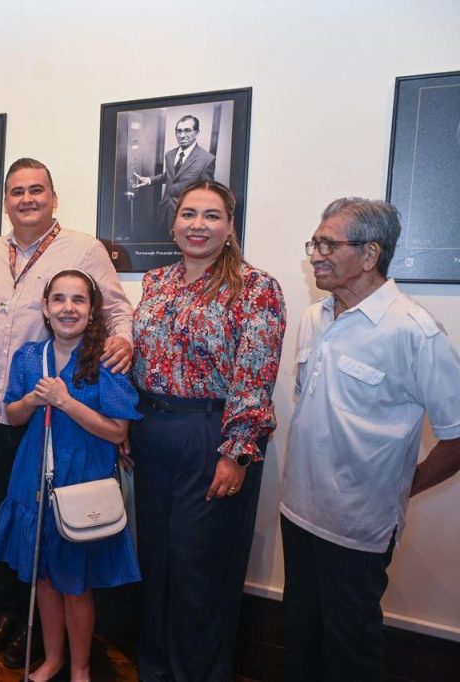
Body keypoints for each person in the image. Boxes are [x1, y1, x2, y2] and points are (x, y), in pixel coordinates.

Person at [280, 198, 460, 682]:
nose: (316, 256)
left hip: (357, 529)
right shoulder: (314, 317)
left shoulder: (414, 331)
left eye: (328, 245)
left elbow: (458, 433)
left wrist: (404, 485)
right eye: (314, 244)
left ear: (369, 254)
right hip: (297, 512)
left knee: (350, 650)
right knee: (301, 637)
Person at [0, 157, 134, 668]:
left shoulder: (83, 249)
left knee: (61, 522)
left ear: (54, 198)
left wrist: (123, 344)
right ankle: (13, 614)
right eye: (17, 191)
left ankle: (54, 640)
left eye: (36, 190)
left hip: (63, 417)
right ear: (5, 201)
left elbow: (117, 309)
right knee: (12, 516)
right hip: (2, 408)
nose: (27, 199)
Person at [130, 180, 285, 681]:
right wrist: (128, 423)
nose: (198, 225)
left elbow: (255, 375)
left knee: (198, 564)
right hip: (151, 430)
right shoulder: (155, 282)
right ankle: (156, 668)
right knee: (155, 557)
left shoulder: (256, 287)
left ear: (230, 226)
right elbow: (141, 359)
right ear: (173, 224)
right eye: (189, 214)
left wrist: (236, 453)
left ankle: (198, 672)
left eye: (212, 216)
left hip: (212, 435)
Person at [0, 269, 141, 682]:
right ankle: (53, 658)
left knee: (75, 583)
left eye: (78, 300)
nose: (67, 308)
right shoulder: (29, 356)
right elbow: (12, 414)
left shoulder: (106, 361)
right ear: (45, 307)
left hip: (83, 477)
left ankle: (80, 668)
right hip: (33, 474)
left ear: (92, 311)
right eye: (58, 299)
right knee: (43, 578)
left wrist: (65, 401)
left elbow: (117, 431)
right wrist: (32, 399)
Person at [133, 115, 217, 235]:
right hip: (164, 212)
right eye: (179, 131)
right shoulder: (170, 155)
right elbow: (170, 176)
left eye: (187, 130)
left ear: (197, 133)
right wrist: (149, 180)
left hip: (187, 220)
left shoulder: (207, 159)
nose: (182, 135)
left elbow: (207, 193)